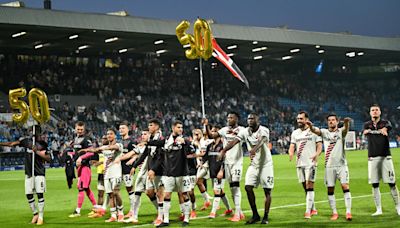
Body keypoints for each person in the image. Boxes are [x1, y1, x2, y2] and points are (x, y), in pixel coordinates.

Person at [219, 113, 273, 224]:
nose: (250, 121)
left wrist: (254, 149)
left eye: (252, 118)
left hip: (266, 165)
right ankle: (255, 215)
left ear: (258, 119)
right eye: (248, 119)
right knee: (248, 187)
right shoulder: (244, 131)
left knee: (267, 191)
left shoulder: (264, 130)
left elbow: (262, 140)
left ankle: (266, 216)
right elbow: (234, 141)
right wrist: (224, 150)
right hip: (254, 165)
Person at [0, 125, 50, 225]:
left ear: (38, 132)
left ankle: (40, 216)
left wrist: (37, 151)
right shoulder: (26, 141)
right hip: (29, 172)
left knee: (40, 194)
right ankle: (35, 214)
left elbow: (48, 158)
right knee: (28, 194)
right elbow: (12, 144)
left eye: (33, 131)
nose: (31, 133)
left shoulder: (43, 144)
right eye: (30, 131)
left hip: (39, 172)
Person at [308, 114, 353, 221]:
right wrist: (310, 127)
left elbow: (346, 129)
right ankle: (334, 212)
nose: (331, 122)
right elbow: (316, 131)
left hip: (342, 165)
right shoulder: (325, 132)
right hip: (329, 166)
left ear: (337, 121)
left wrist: (346, 123)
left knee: (345, 187)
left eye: (333, 120)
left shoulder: (341, 132)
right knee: (330, 189)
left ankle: (348, 212)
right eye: (329, 120)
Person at [203, 111, 245, 222]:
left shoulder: (242, 130)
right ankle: (239, 212)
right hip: (227, 163)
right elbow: (211, 135)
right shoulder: (224, 130)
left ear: (237, 119)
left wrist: (223, 151)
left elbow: (236, 142)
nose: (228, 119)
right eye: (228, 118)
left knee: (236, 186)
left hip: (237, 162)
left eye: (231, 117)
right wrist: (206, 125)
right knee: (232, 189)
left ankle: (237, 214)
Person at [79, 128, 125, 222]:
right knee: (110, 194)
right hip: (107, 174)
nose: (109, 136)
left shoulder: (119, 145)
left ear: (115, 135)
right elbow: (95, 150)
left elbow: (113, 148)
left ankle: (121, 212)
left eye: (111, 134)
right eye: (107, 134)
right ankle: (113, 215)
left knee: (116, 192)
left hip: (116, 173)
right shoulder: (104, 147)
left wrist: (102, 148)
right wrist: (85, 150)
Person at [363, 104, 400, 216]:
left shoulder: (385, 123)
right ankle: (378, 209)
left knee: (392, 183)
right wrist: (367, 131)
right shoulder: (366, 125)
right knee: (374, 184)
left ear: (380, 112)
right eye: (372, 110)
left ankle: (398, 207)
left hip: (385, 157)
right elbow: (365, 131)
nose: (374, 112)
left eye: (376, 110)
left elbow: (388, 127)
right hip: (372, 157)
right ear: (370, 113)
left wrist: (384, 129)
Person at [156, 120, 191, 227]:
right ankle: (165, 220)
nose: (181, 129)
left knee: (184, 194)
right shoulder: (167, 140)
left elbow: (192, 151)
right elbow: (159, 149)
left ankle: (186, 218)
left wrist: (186, 143)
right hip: (168, 173)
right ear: (173, 128)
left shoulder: (184, 140)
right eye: (178, 127)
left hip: (182, 173)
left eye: (181, 127)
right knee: (167, 195)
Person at [288, 111, 322, 219]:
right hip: (300, 163)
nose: (298, 121)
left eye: (301, 119)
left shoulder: (314, 131)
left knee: (309, 186)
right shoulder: (295, 133)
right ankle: (313, 208)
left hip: (311, 163)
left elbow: (320, 145)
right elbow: (292, 145)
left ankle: (308, 211)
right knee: (305, 187)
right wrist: (291, 152)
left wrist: (317, 154)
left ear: (306, 120)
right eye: (298, 119)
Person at [69, 121, 98, 218]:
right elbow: (77, 153)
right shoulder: (75, 139)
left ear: (84, 129)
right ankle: (96, 207)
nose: (80, 131)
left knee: (81, 188)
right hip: (79, 168)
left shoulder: (86, 140)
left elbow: (91, 152)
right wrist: (71, 155)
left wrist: (81, 158)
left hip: (85, 167)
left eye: (81, 129)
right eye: (78, 129)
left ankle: (77, 211)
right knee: (86, 188)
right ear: (75, 128)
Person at [203, 125, 232, 219]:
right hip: (212, 171)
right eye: (212, 131)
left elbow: (226, 159)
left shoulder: (224, 145)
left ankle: (213, 213)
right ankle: (229, 209)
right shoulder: (210, 145)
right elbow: (206, 157)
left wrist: (222, 170)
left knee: (217, 190)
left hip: (221, 172)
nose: (213, 133)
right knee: (220, 191)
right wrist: (201, 163)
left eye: (215, 131)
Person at [119, 121, 138, 218]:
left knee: (129, 189)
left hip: (127, 168)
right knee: (115, 190)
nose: (121, 130)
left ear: (128, 129)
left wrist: (132, 164)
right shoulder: (119, 142)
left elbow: (136, 154)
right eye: (120, 128)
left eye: (123, 128)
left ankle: (132, 210)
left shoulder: (132, 141)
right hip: (118, 169)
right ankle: (118, 211)